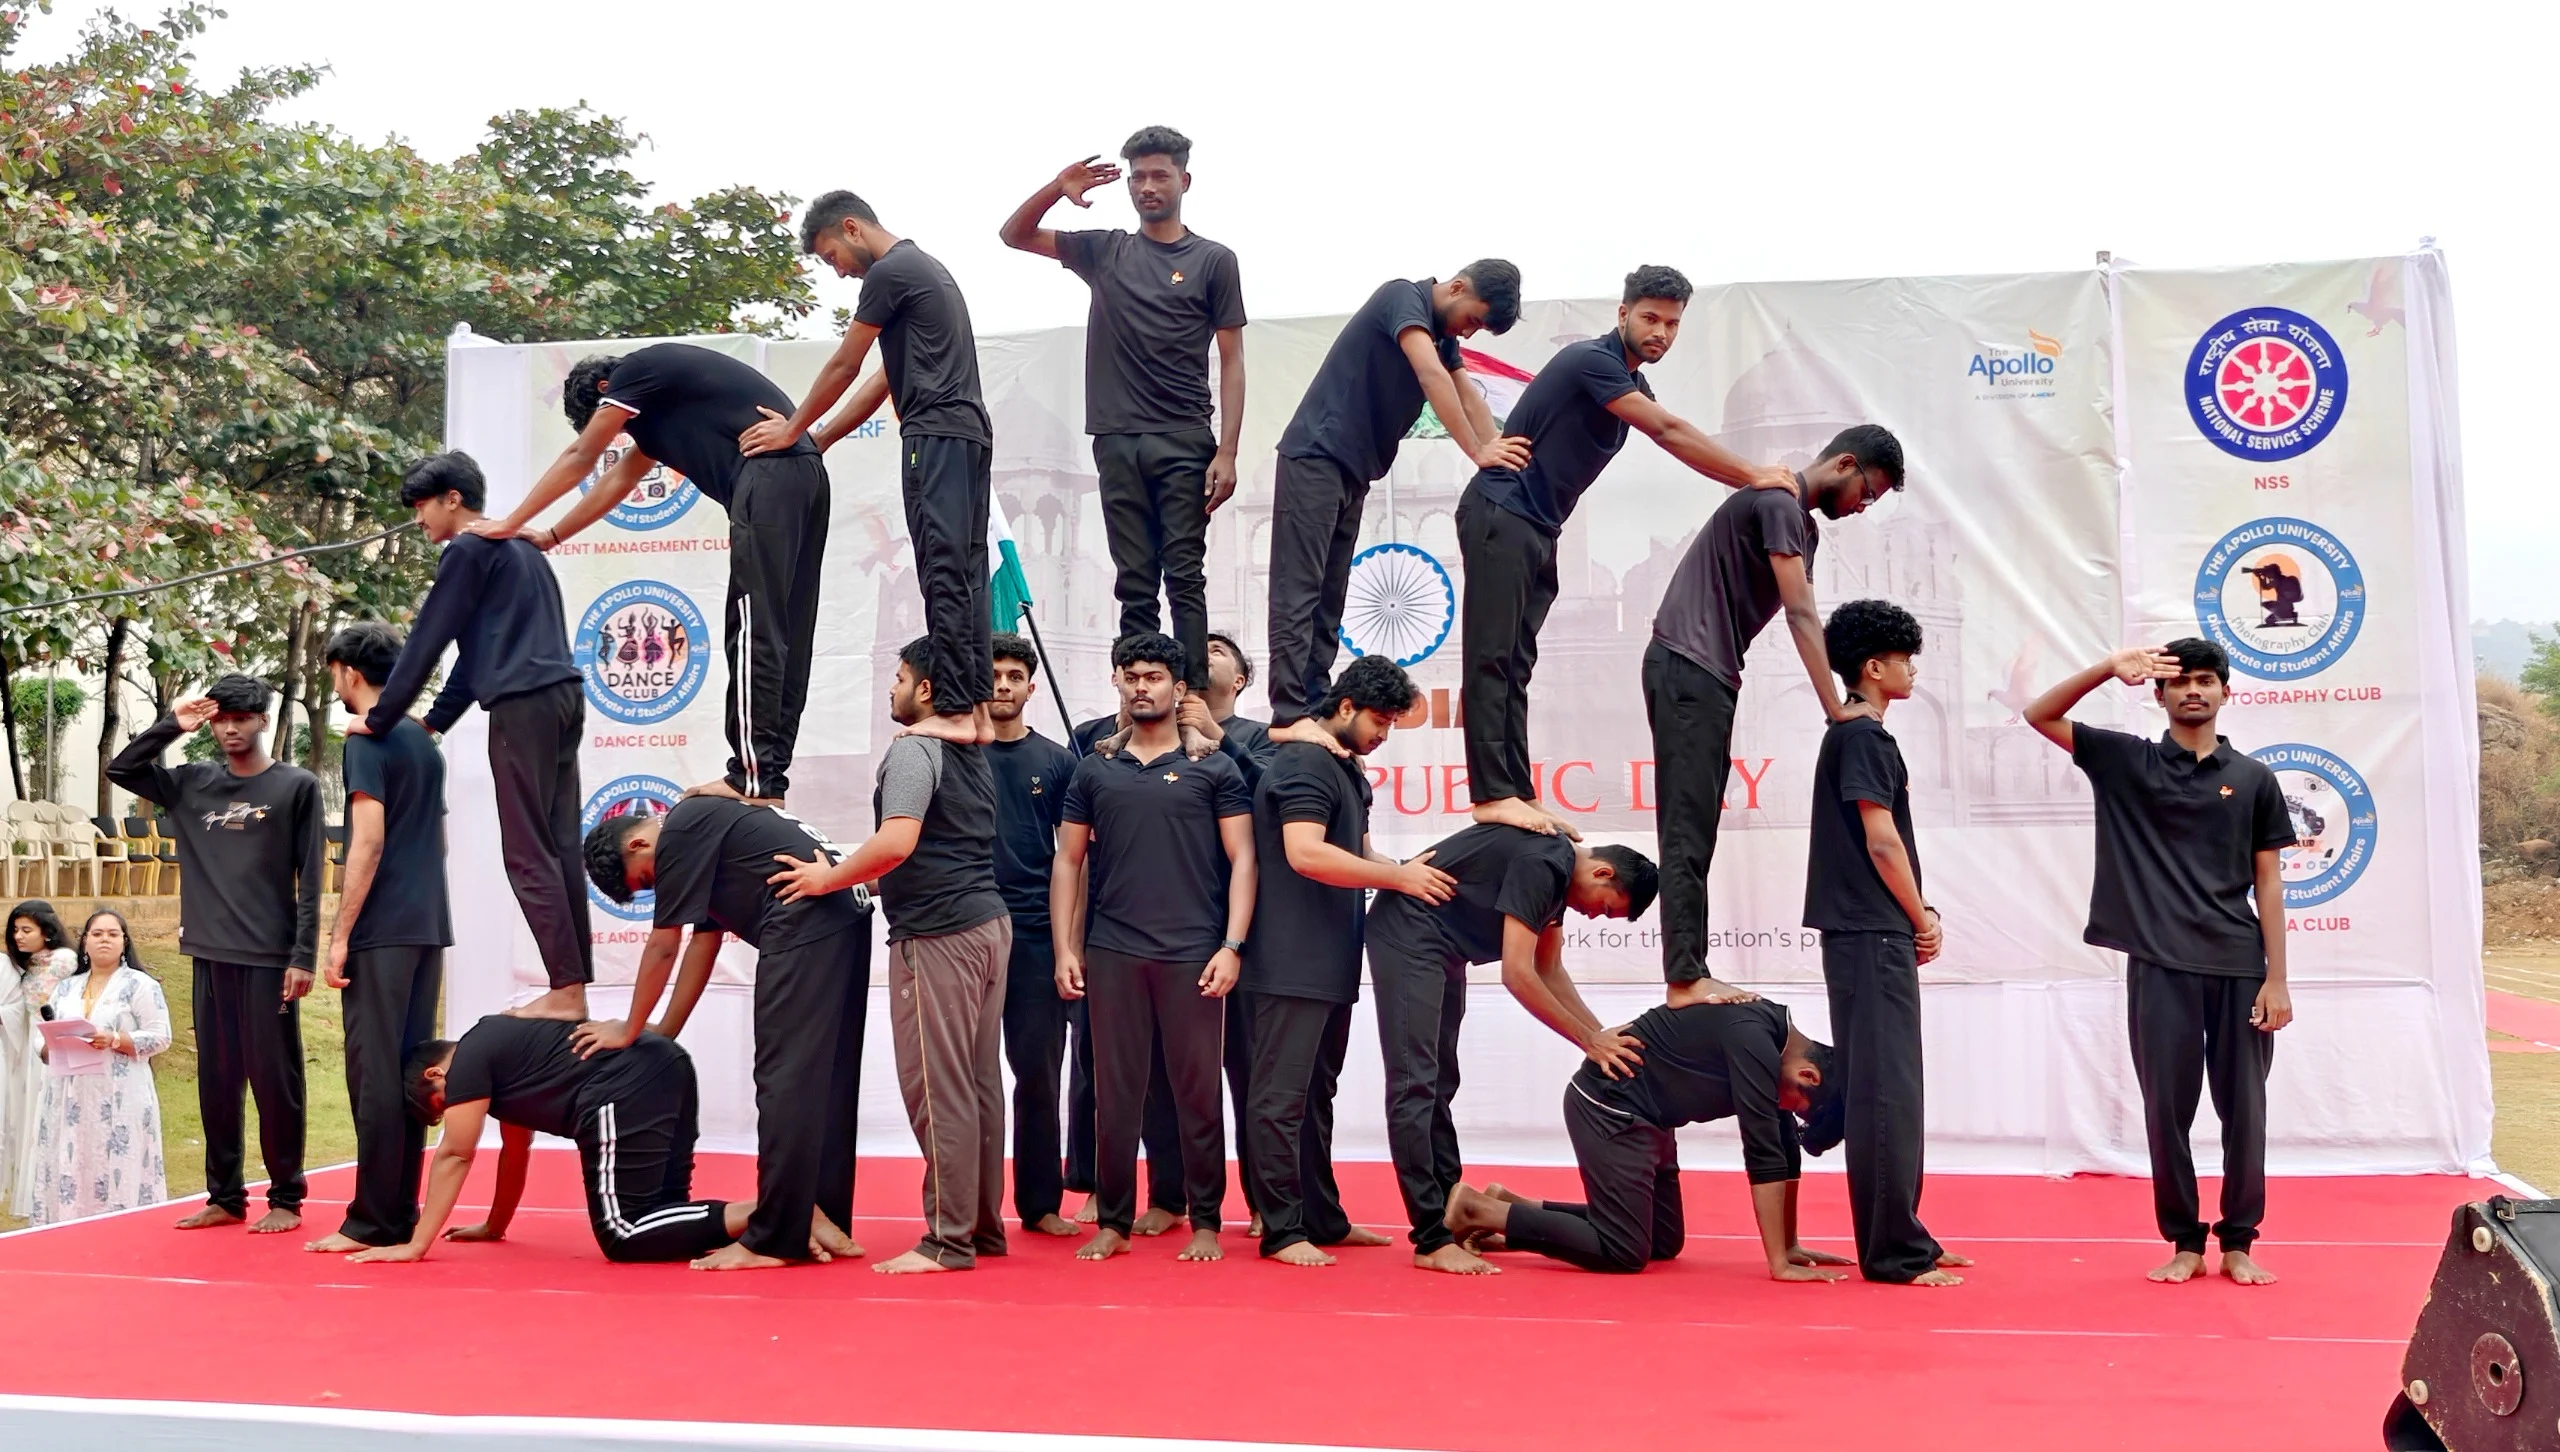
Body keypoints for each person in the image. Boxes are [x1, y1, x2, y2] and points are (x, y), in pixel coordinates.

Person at [1458, 265, 1799, 837]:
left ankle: (1514, 791)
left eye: (1672, 323)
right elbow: (1668, 431)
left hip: (1539, 526)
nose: (1661, 331)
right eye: (1649, 318)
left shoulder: (1632, 382)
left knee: (1516, 660)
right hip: (1503, 511)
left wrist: (1746, 477)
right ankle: (1492, 795)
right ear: (1623, 314)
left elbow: (1671, 434)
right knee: (1494, 655)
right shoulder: (1592, 362)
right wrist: (1753, 474)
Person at [2022, 637, 2295, 1287]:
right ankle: (2182, 1240)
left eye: (2206, 680)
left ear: (2226, 692)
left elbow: (2271, 883)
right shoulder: (2128, 762)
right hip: (2159, 966)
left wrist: (2276, 978)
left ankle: (2238, 1241)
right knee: (2166, 1109)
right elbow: (2040, 714)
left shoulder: (2254, 779)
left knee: (2244, 1110)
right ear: (2160, 694)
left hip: (2237, 965)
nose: (2193, 690)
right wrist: (2104, 669)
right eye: (2180, 682)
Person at [475, 343, 832, 804]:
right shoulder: (660, 405)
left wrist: (508, 521)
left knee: (753, 627)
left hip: (766, 476)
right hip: (805, 475)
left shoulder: (636, 371)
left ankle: (751, 777)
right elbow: (618, 480)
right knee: (786, 628)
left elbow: (583, 456)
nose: (616, 435)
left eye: (609, 420)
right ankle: (769, 778)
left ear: (606, 391)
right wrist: (553, 534)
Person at [771, 638, 1011, 1275]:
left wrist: (829, 880)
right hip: (986, 927)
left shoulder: (914, 750)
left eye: (900, 677)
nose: (890, 688)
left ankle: (947, 1240)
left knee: (938, 1089)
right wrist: (854, 873)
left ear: (926, 690)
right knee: (979, 1085)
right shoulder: (972, 750)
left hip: (939, 937)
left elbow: (899, 841)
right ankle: (981, 1229)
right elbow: (936, 848)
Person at [1650, 424, 1906, 1000]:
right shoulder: (1777, 503)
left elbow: (1810, 616)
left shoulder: (1800, 524)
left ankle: (1688, 969)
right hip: (1687, 665)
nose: (1865, 507)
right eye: (1868, 492)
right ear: (1845, 463)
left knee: (1699, 828)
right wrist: (1837, 708)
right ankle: (1684, 978)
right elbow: (1799, 613)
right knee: (1686, 829)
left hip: (1709, 673)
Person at [741, 190, 995, 747]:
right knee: (966, 572)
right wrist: (821, 435)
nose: (838, 272)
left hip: (934, 434)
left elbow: (844, 362)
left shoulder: (891, 271)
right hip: (968, 436)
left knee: (942, 571)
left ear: (851, 228)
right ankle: (976, 710)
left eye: (831, 256)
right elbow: (882, 378)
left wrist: (789, 428)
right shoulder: (925, 269)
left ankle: (953, 706)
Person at [998, 129, 1247, 692]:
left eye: (1160, 175)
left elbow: (1232, 361)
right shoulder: (1104, 249)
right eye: (1138, 177)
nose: (1147, 186)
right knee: (1134, 579)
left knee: (1184, 575)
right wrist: (1057, 189)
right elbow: (1014, 235)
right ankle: (1138, 696)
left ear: (1184, 181)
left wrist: (1227, 451)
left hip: (1184, 437)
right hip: (1115, 437)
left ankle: (1191, 700)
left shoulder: (1213, 260)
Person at [581, 794, 874, 1271]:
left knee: (783, 1084)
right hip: (842, 919)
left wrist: (628, 1028)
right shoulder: (706, 831)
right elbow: (705, 940)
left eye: (647, 879)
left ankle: (775, 1237)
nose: (658, 889)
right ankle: (819, 1219)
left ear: (637, 842)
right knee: (826, 1080)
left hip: (804, 924)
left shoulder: (681, 828)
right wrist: (660, 1034)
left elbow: (663, 944)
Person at [355, 452, 591, 1022]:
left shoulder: (468, 548)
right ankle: (574, 987)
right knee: (558, 847)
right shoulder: (521, 551)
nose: (418, 520)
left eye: (421, 506)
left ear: (452, 499)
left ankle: (565, 990)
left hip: (522, 706)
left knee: (527, 852)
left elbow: (428, 639)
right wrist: (435, 720)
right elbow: (474, 649)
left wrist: (380, 718)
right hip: (562, 699)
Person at [1365, 822, 1657, 1273]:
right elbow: (1518, 975)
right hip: (1408, 933)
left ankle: (1450, 1214)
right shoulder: (1544, 863)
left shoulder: (1561, 877)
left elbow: (1550, 969)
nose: (1594, 917)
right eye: (1604, 909)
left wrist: (1602, 1039)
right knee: (1415, 1084)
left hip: (1442, 945)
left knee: (1440, 1082)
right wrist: (1588, 1041)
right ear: (1601, 873)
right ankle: (1430, 1239)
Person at [1052, 631, 1256, 1263]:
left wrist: (1232, 945)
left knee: (1197, 1091)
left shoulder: (1214, 768)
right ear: (1117, 682)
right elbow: (1067, 862)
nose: (1142, 686)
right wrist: (1066, 947)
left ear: (1179, 688)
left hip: (1194, 953)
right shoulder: (1094, 768)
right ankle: (1112, 1219)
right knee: (1114, 1091)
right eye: (1131, 675)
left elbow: (1244, 858)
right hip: (1112, 951)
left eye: (1155, 676)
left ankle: (1206, 1220)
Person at [351, 1020, 851, 1266]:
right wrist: (494, 1225)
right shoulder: (501, 1060)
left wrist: (415, 1246)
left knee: (624, 1234)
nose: (453, 1114)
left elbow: (456, 1154)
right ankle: (781, 1217)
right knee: (661, 1216)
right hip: (664, 1066)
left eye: (441, 1105)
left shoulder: (477, 1053)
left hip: (622, 1084)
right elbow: (515, 1150)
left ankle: (780, 1208)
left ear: (438, 1075)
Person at [1266, 264, 1526, 735]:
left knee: (1329, 597)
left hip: (1353, 469)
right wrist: (1476, 450)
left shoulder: (1444, 338)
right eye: (1473, 319)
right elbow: (1431, 376)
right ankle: (1288, 713)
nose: (1468, 331)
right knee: (1298, 590)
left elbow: (1466, 394)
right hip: (1316, 456)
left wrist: (1504, 459)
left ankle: (1315, 705)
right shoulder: (1403, 297)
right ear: (1457, 287)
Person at [1243, 656, 1441, 1265]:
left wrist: (1407, 869)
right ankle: (1280, 1229)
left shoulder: (1348, 770)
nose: (1385, 735)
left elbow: (1356, 852)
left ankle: (1321, 1219)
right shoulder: (1304, 760)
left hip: (1330, 957)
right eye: (1380, 720)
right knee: (1280, 1097)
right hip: (1287, 957)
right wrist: (1398, 879)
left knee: (1314, 1095)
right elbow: (1305, 854)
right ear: (1346, 707)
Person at [107, 675, 322, 1234]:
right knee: (217, 1078)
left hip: (270, 960)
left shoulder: (295, 787)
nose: (229, 727)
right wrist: (171, 725)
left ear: (261, 721)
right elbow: (123, 769)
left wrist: (303, 956)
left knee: (276, 1081)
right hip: (208, 954)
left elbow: (312, 879)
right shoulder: (193, 783)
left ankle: (286, 1197)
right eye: (221, 718)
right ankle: (225, 1196)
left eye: (241, 718)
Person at [1441, 995, 1850, 1281]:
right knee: (1622, 1250)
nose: (1786, 1111)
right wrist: (1778, 1263)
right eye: (1796, 1106)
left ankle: (1517, 1206)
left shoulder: (1773, 1042)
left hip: (1651, 1121)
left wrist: (1792, 1245)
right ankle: (1479, 1212)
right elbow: (1763, 1155)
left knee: (1662, 1242)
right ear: (1808, 1076)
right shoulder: (1754, 1040)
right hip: (1609, 1109)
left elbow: (1783, 1147)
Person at [1803, 600, 1966, 1287]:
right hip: (1871, 931)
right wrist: (1920, 916)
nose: (1912, 669)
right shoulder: (1864, 737)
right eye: (1904, 658)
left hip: (1870, 932)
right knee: (1886, 1091)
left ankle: (1905, 1237)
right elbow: (1880, 839)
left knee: (1887, 1086)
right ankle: (1894, 1250)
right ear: (1875, 666)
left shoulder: (1855, 735)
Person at [306, 623, 452, 1257]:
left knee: (374, 1074)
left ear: (347, 672)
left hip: (385, 928)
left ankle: (372, 1219)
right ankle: (396, 1213)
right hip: (427, 923)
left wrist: (340, 935)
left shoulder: (367, 739)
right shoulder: (424, 741)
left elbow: (367, 840)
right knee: (410, 1073)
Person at [984, 633, 1086, 1236]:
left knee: (1038, 1070)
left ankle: (1041, 1204)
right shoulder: (951, 754)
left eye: (1014, 675)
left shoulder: (1057, 762)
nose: (1002, 684)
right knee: (966, 1076)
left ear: (1030, 686)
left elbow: (1075, 863)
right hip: (963, 930)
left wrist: (1067, 946)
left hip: (1034, 934)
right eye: (993, 673)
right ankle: (966, 1205)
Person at [30, 911, 171, 1225]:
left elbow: (161, 1037)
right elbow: (39, 1032)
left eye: (112, 934)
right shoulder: (66, 988)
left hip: (120, 1091)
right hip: (70, 1092)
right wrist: (49, 1046)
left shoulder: (140, 986)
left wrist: (117, 1039)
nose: (104, 940)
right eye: (97, 934)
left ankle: (124, 1226)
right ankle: (68, 1223)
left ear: (124, 942)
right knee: (73, 1154)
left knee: (117, 1157)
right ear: (84, 943)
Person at [3, 900, 75, 1218]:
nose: (19, 936)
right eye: (15, 930)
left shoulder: (63, 961)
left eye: (26, 930)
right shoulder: (31, 965)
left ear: (46, 932)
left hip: (53, 1042)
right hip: (33, 1044)